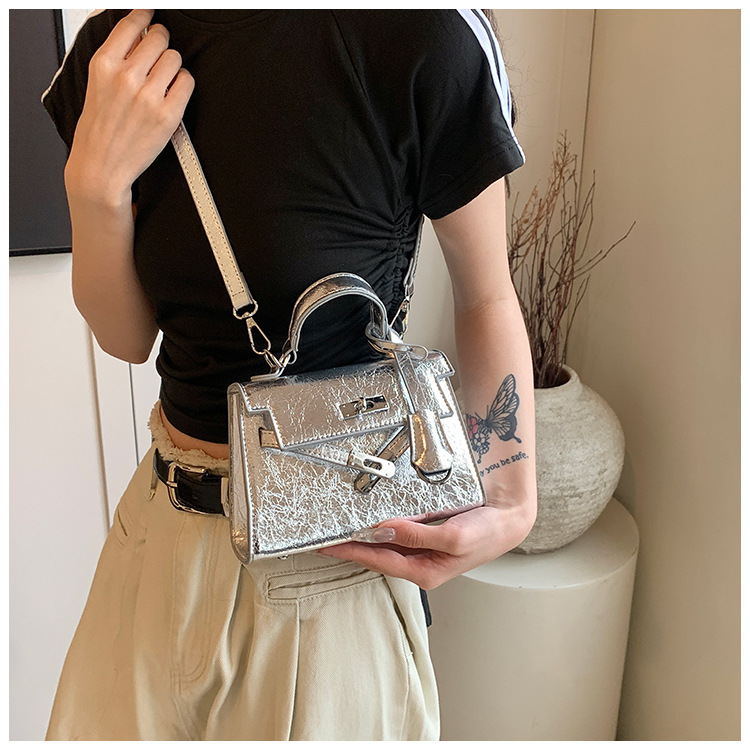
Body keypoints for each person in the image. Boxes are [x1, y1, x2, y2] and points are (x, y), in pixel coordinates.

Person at [40, 9, 537, 741]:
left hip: (328, 569)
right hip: (156, 539)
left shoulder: (422, 32)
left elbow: (486, 293)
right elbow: (128, 337)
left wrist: (513, 497)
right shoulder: (121, 46)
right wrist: (94, 188)